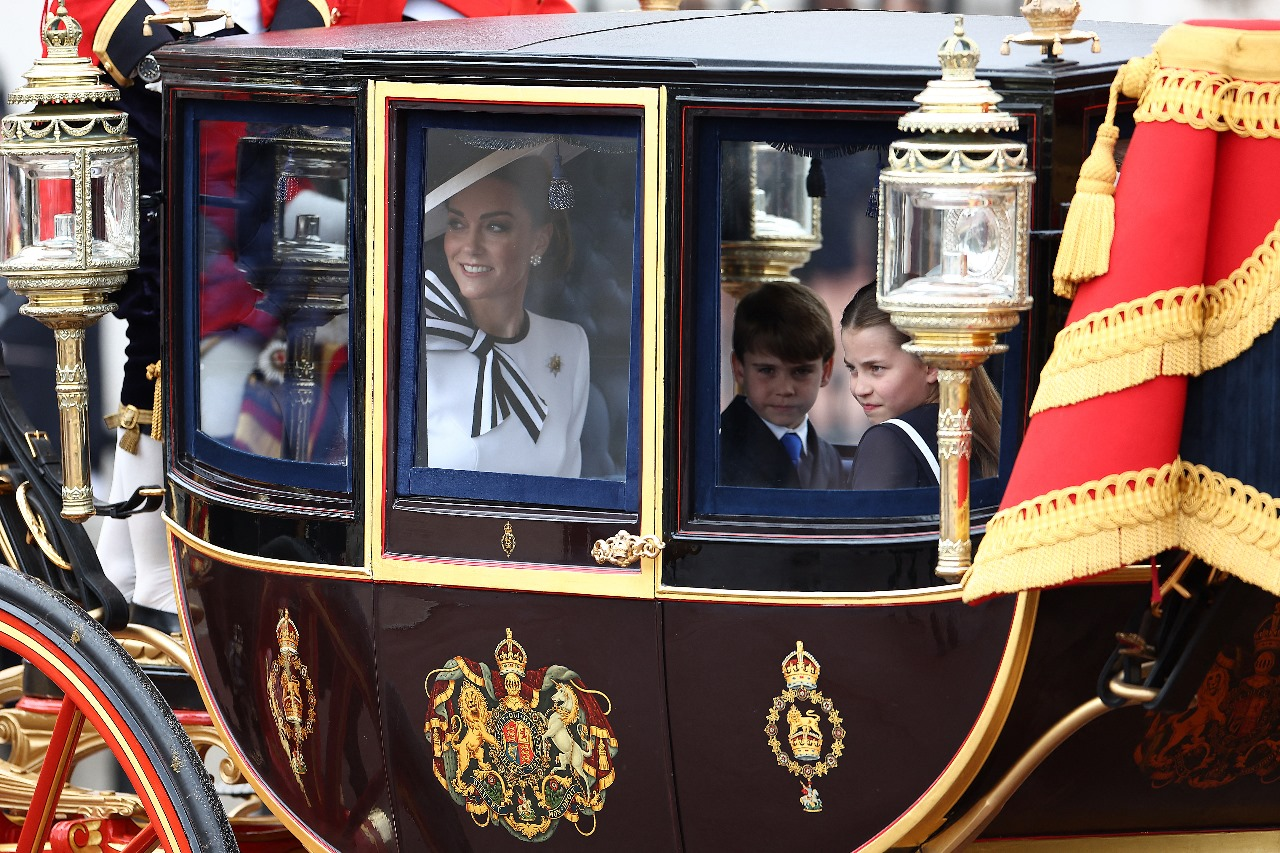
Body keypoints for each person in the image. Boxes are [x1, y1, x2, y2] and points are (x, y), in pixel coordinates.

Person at [422, 157, 589, 477]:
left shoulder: (569, 344)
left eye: (495, 226)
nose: (469, 247)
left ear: (538, 240)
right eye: (457, 224)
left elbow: (568, 483)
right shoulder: (422, 339)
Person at [841, 285, 1000, 490]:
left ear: (933, 364)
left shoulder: (887, 442)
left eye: (876, 368)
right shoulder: (985, 433)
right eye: (852, 369)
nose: (859, 388)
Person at [719, 281, 844, 489]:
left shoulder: (829, 459)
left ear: (826, 371)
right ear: (739, 369)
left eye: (801, 371)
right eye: (767, 371)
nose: (785, 389)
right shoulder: (717, 452)